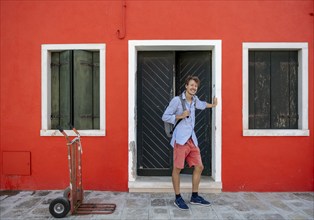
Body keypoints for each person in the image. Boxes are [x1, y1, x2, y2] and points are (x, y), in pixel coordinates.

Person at [162, 75, 218, 210]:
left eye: (196, 86)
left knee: (199, 167)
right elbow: (164, 116)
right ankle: (178, 198)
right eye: (191, 85)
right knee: (177, 169)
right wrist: (180, 115)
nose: (194, 88)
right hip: (180, 140)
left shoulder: (194, 100)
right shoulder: (177, 101)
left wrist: (214, 105)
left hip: (192, 139)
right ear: (186, 86)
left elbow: (202, 105)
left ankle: (194, 196)